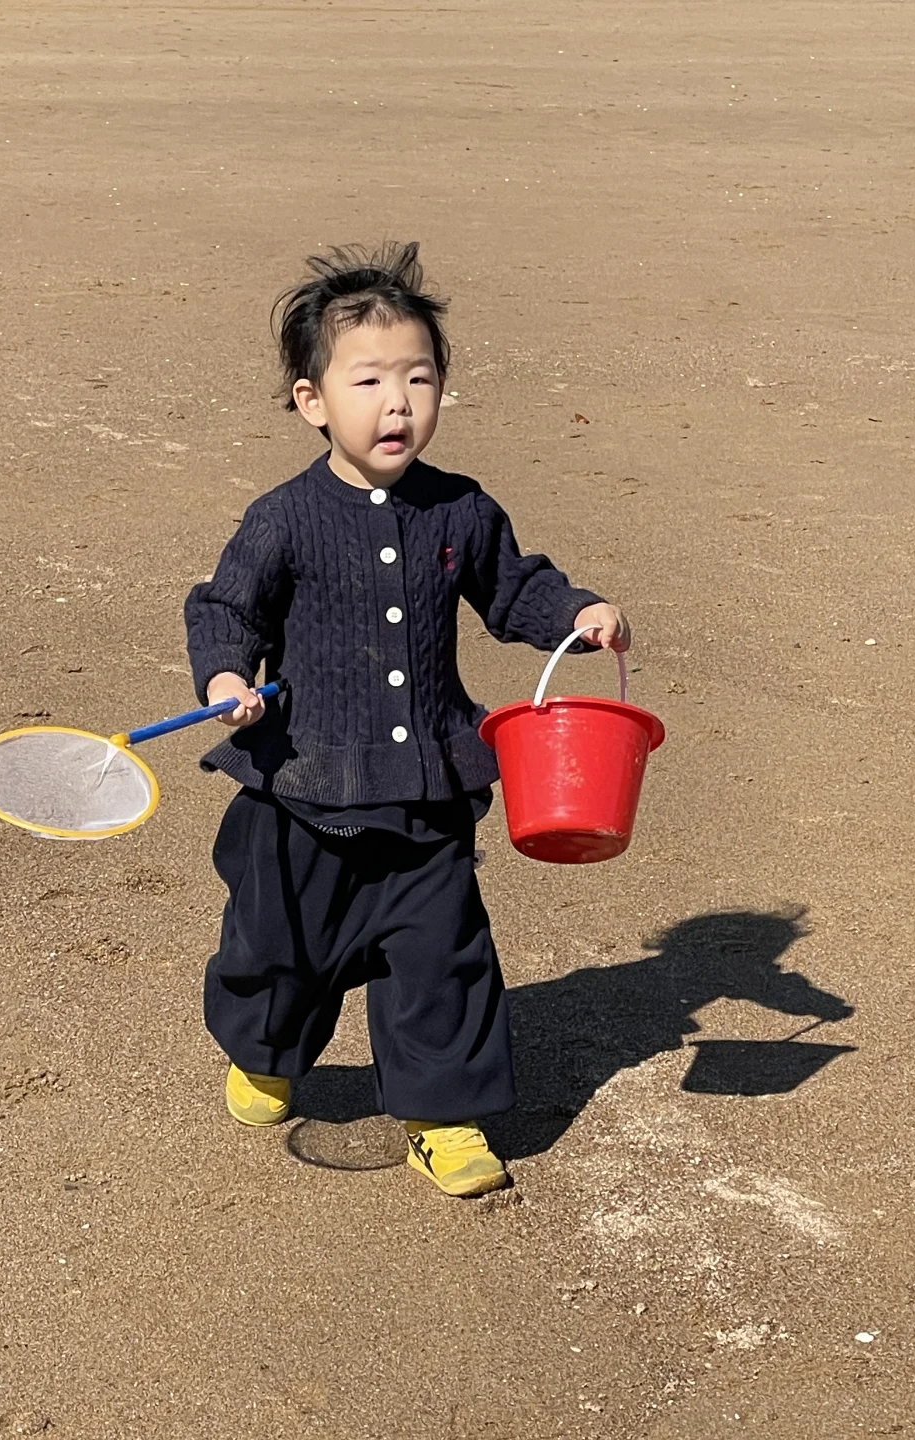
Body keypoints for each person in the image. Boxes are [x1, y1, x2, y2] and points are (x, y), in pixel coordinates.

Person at [184, 242, 630, 1197]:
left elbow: (514, 588)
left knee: (443, 958)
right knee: (278, 953)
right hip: (303, 790)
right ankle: (265, 1052)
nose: (398, 404)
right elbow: (227, 609)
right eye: (371, 381)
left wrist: (576, 614)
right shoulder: (284, 517)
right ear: (312, 400)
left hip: (428, 790)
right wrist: (226, 677)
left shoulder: (460, 510)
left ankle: (444, 1114)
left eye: (419, 379)